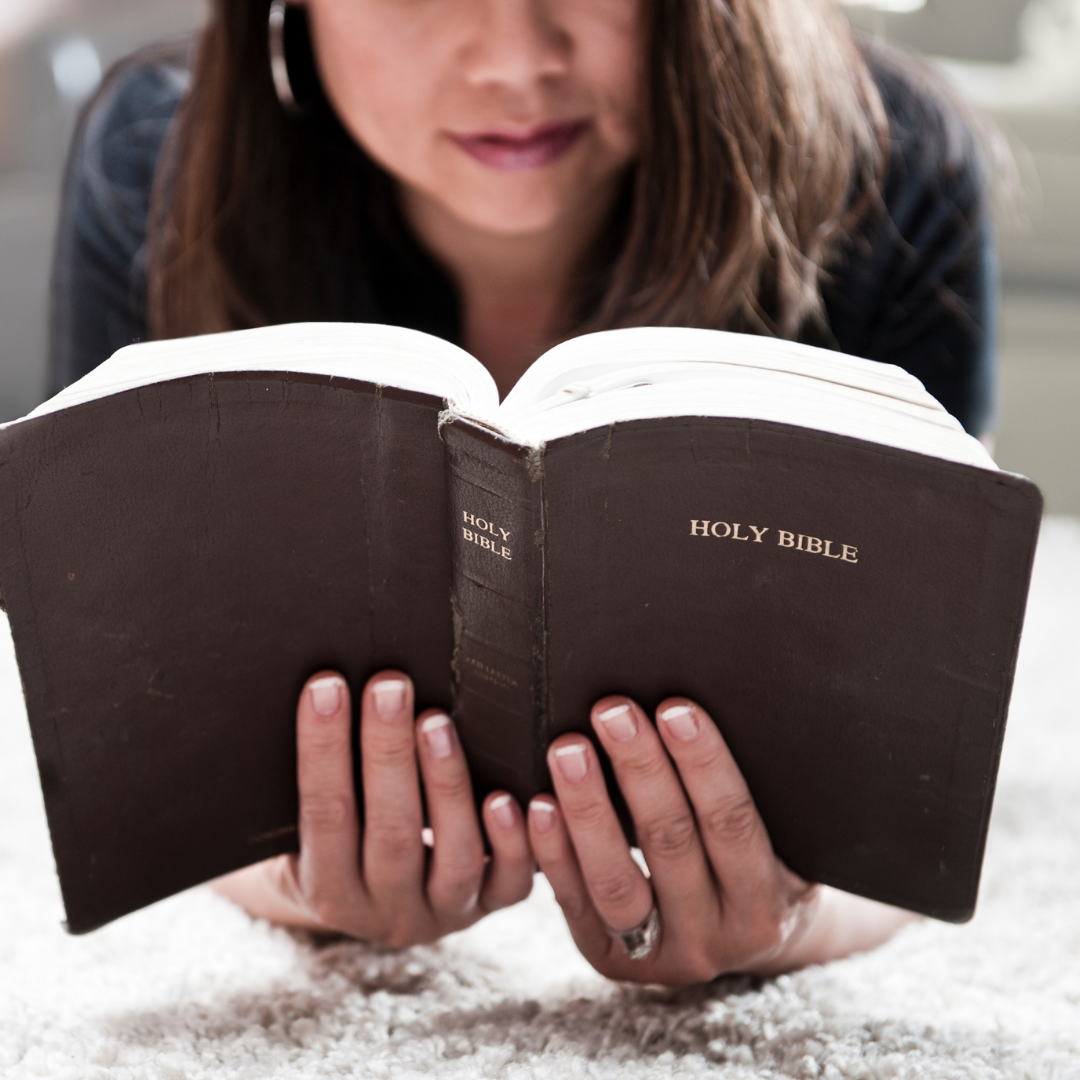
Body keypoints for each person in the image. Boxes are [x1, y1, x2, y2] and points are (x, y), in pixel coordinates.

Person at [49, 0, 997, 985]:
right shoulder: (153, 161)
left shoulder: (889, 164)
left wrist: (798, 925)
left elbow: (935, 786)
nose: (515, 61)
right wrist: (292, 882)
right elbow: (122, 750)